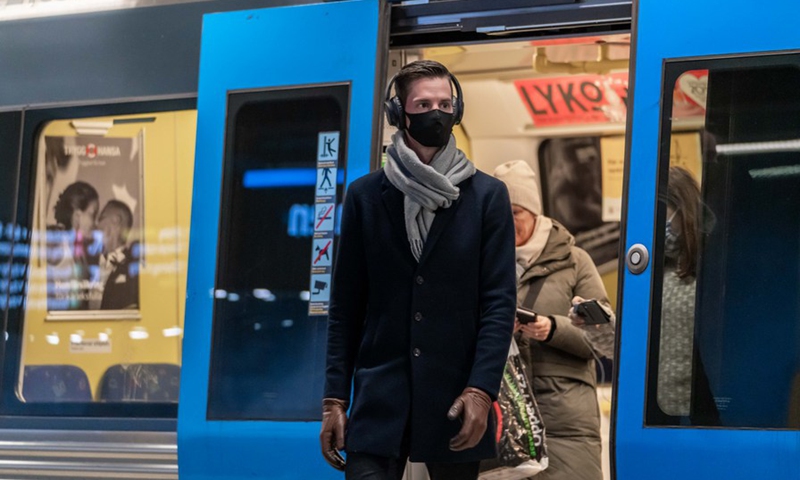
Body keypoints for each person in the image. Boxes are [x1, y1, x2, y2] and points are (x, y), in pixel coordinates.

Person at [321, 60, 517, 480]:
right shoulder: (365, 197)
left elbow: (499, 304)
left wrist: (482, 390)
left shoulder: (487, 197)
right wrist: (334, 400)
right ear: (400, 114)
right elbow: (346, 307)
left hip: (456, 399)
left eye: (446, 103)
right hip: (379, 399)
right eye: (424, 103)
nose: (437, 112)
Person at [493, 160, 616, 480]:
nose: (507, 221)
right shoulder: (485, 263)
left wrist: (552, 328)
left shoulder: (576, 262)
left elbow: (603, 341)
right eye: (498, 213)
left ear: (535, 213)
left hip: (566, 425)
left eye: (515, 212)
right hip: (504, 420)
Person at [655, 166, 702, 416]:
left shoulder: (707, 272)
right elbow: (630, 348)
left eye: (663, 215)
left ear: (685, 212)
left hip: (697, 413)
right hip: (653, 413)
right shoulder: (650, 275)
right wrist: (598, 326)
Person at [48, 181, 100, 310]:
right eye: (92, 214)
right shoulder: (55, 241)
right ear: (77, 215)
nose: (95, 223)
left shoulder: (79, 251)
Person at [97, 200, 139, 310]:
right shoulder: (89, 261)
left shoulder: (135, 268)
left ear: (116, 221)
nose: (97, 224)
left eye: (101, 218)